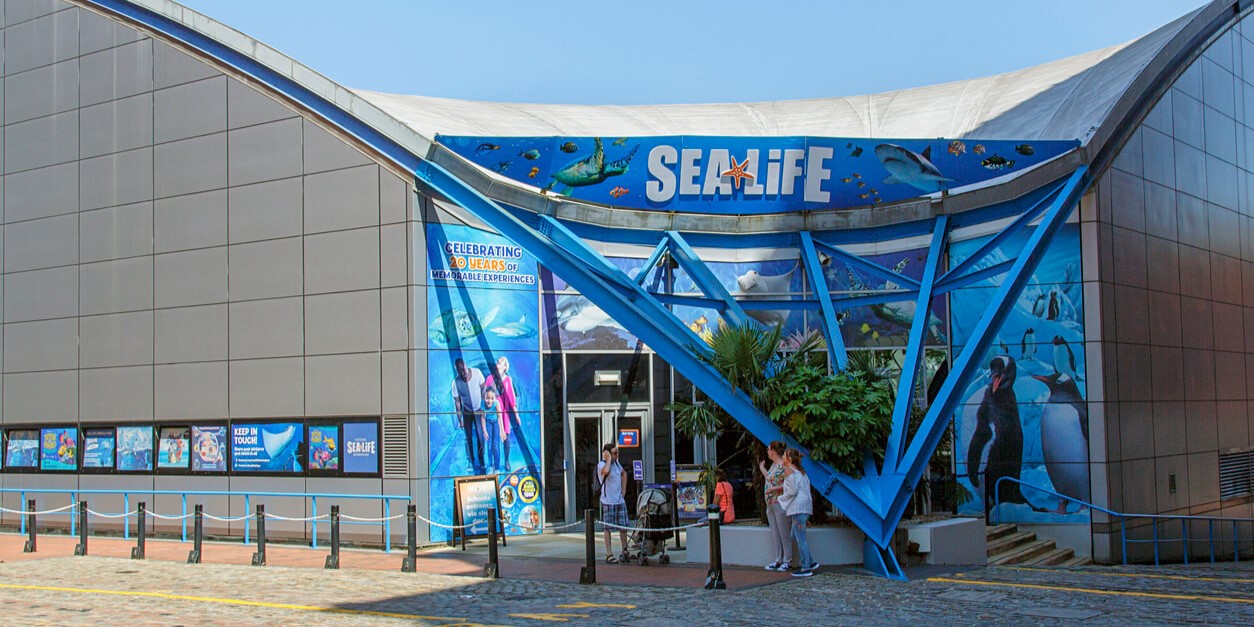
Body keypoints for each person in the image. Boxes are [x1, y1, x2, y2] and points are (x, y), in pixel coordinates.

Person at [780, 448, 819, 577]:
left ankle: (806, 567)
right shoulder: (801, 472)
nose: (783, 457)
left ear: (789, 459)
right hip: (805, 507)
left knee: (800, 538)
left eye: (784, 455)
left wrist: (780, 498)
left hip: (797, 508)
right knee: (795, 535)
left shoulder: (789, 471)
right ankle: (811, 562)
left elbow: (792, 491)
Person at [759, 441, 792, 571]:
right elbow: (769, 478)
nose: (767, 452)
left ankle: (787, 560)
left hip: (779, 502)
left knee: (784, 532)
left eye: (768, 449)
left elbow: (789, 484)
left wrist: (773, 490)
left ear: (773, 450)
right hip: (770, 502)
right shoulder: (773, 465)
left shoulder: (784, 466)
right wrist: (762, 468)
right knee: (775, 532)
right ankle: (778, 558)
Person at [451, 358, 486, 473]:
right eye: (461, 373)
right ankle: (470, 460)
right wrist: (459, 419)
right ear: (457, 372)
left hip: (478, 409)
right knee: (468, 437)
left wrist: (483, 401)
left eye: (464, 371)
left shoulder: (476, 373)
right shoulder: (455, 383)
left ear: (466, 366)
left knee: (481, 436)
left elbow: (483, 386)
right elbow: (457, 402)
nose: (464, 374)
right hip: (466, 411)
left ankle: (481, 460)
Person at [483, 356, 517, 472]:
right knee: (493, 441)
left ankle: (506, 460)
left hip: (504, 413)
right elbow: (486, 396)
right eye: (497, 362)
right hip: (492, 413)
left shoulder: (508, 380)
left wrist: (516, 414)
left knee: (506, 438)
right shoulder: (489, 379)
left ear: (505, 367)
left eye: (501, 363)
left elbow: (512, 399)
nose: (498, 364)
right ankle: (492, 464)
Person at [596, 442, 629, 563]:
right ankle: (609, 553)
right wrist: (608, 458)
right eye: (614, 453)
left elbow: (624, 473)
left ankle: (624, 549)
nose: (617, 455)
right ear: (607, 454)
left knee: (623, 527)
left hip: (619, 500)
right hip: (608, 501)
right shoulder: (602, 464)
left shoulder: (616, 464)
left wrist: (623, 490)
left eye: (617, 453)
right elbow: (606, 472)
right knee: (608, 528)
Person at [479, 386, 506, 472]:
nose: (489, 401)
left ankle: (497, 467)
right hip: (488, 422)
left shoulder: (496, 404)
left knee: (496, 445)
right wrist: (484, 431)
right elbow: (482, 417)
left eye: (492, 398)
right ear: (484, 397)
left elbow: (499, 417)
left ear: (495, 398)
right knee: (489, 445)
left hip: (496, 423)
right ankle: (490, 466)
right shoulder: (482, 404)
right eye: (487, 398)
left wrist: (502, 431)